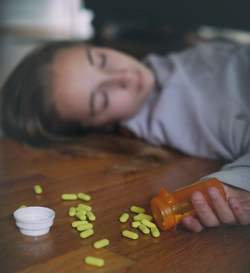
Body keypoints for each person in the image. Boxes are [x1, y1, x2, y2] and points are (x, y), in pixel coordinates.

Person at [0, 39, 249, 233]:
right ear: (102, 128)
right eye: (103, 98)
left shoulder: (168, 64)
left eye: (102, 60)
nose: (123, 76)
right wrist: (229, 186)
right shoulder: (194, 109)